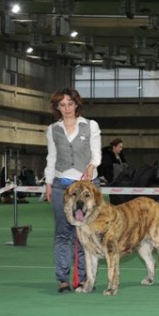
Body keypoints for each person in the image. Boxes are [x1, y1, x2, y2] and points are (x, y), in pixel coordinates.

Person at [44, 88, 102, 293]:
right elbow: (51, 158)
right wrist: (49, 183)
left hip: (87, 186)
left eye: (70, 103)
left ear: (77, 104)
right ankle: (63, 279)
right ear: (57, 107)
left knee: (86, 234)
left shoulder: (91, 126)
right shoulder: (53, 129)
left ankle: (86, 278)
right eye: (62, 104)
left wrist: (92, 165)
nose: (67, 108)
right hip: (62, 186)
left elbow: (97, 153)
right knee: (63, 234)